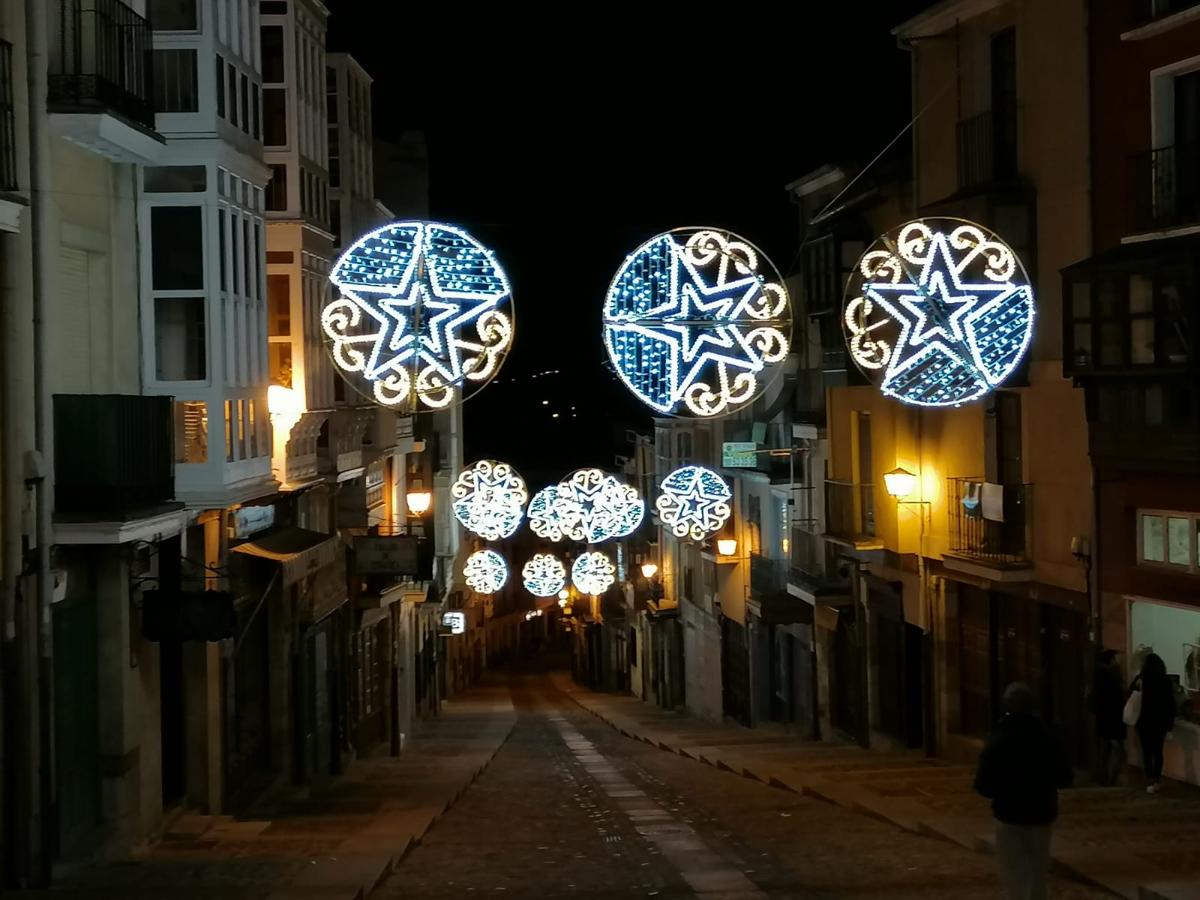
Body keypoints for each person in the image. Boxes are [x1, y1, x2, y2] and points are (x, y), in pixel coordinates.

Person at [974, 682, 1073, 900]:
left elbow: (983, 783)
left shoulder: (999, 739)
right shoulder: (1046, 737)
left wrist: (999, 792)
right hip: (1041, 811)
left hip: (1008, 813)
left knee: (1014, 872)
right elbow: (1064, 775)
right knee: (1038, 871)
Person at [1130, 652, 1176, 793]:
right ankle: (1156, 780)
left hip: (1144, 721)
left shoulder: (1141, 679)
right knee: (1158, 752)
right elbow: (1171, 704)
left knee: (1147, 752)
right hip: (1159, 722)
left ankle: (1150, 780)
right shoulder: (1165, 680)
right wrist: (1169, 725)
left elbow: (1129, 694)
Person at [1092, 649, 1127, 785]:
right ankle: (1110, 780)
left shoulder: (1100, 675)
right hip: (1112, 720)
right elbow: (1116, 697)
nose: (1118, 661)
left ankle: (1103, 778)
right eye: (1116, 658)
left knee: (1106, 750)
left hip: (1106, 720)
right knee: (1117, 751)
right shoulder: (1109, 676)